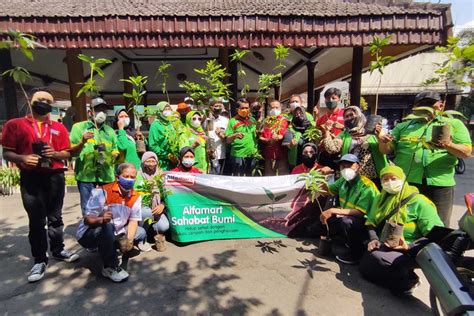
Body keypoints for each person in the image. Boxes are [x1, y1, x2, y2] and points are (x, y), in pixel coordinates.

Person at [2, 88, 79, 282]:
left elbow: (68, 153)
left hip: (54, 176)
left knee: (56, 217)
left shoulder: (59, 127)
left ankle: (58, 249)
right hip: (31, 177)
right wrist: (22, 157)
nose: (43, 102)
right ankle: (39, 259)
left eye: (47, 100)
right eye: (40, 99)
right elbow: (7, 152)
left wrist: (55, 154)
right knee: (36, 220)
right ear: (31, 100)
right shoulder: (15, 125)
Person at [377, 91, 471, 227]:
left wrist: (449, 145)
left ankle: (436, 248)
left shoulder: (452, 124)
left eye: (429, 103)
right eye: (422, 104)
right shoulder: (404, 126)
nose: (426, 107)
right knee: (406, 221)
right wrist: (382, 141)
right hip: (409, 183)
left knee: (438, 224)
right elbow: (385, 150)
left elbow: (466, 152)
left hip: (439, 184)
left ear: (440, 105)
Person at [360, 165, 444, 295]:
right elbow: (370, 222)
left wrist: (408, 246)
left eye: (393, 178)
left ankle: (410, 279)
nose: (389, 183)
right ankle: (396, 274)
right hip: (385, 243)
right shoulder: (380, 199)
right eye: (385, 180)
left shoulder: (419, 202)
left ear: (403, 179)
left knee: (381, 261)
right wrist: (374, 239)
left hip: (414, 249)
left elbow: (436, 234)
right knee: (365, 269)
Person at [76, 163, 147, 283]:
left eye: (132, 177)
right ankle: (110, 266)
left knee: (140, 232)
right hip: (89, 234)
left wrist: (128, 241)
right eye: (126, 176)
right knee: (107, 226)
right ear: (117, 177)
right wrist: (101, 219)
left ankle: (109, 247)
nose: (129, 180)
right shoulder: (102, 192)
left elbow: (134, 220)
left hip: (115, 232)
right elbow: (87, 219)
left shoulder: (136, 196)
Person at [320, 154, 380, 264]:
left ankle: (356, 252)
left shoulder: (367, 186)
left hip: (367, 224)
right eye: (342, 166)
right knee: (329, 218)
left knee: (347, 221)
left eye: (349, 166)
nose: (345, 169)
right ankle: (344, 242)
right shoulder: (343, 181)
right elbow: (327, 192)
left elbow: (360, 212)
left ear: (358, 167)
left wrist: (332, 210)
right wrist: (321, 177)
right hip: (348, 216)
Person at [70, 97, 119, 216]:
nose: (101, 113)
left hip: (106, 175)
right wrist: (82, 141)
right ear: (90, 112)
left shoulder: (110, 131)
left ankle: (106, 232)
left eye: (104, 110)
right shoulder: (79, 128)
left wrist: (112, 155)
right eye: (98, 109)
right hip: (86, 176)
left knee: (107, 209)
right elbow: (70, 150)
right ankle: (89, 232)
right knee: (88, 210)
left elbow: (115, 151)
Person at [321, 106, 388, 186]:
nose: (349, 118)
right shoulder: (345, 134)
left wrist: (379, 137)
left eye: (352, 115)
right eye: (346, 116)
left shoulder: (373, 130)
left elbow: (386, 149)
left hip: (372, 178)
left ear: (359, 115)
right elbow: (332, 149)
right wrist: (327, 131)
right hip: (352, 178)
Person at [134, 152, 169, 252]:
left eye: (153, 161)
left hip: (156, 208)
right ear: (143, 162)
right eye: (148, 161)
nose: (151, 163)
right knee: (146, 212)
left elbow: (165, 195)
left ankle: (150, 233)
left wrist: (162, 205)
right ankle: (141, 239)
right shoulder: (138, 175)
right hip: (142, 208)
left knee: (164, 226)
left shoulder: (160, 175)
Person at [225, 98, 258, 176]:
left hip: (251, 154)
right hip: (238, 155)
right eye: (242, 108)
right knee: (239, 178)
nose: (245, 110)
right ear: (237, 109)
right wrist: (234, 135)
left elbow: (255, 136)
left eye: (247, 108)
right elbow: (227, 140)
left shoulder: (253, 120)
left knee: (250, 177)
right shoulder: (232, 121)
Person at [259, 100, 289, 176]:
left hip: (281, 155)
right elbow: (261, 136)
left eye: (277, 107)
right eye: (272, 108)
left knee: (282, 179)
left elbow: (281, 135)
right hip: (268, 155)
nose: (274, 110)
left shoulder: (284, 120)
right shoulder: (266, 121)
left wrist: (278, 137)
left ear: (280, 109)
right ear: (269, 109)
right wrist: (265, 140)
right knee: (269, 179)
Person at [148, 101, 179, 171]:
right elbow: (153, 145)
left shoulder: (171, 124)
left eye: (169, 109)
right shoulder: (155, 125)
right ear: (159, 111)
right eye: (165, 109)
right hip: (161, 162)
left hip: (174, 161)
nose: (168, 111)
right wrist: (167, 155)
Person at [204, 99, 229, 175]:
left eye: (220, 106)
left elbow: (227, 137)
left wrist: (221, 135)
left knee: (220, 175)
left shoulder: (225, 120)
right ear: (210, 107)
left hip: (221, 153)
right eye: (216, 106)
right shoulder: (205, 120)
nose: (218, 108)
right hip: (208, 154)